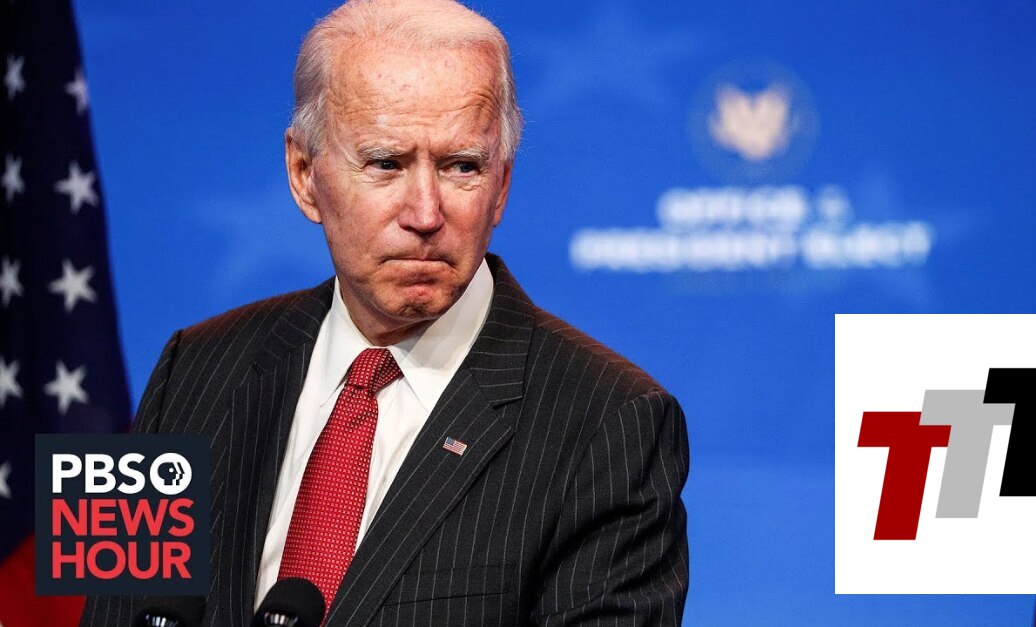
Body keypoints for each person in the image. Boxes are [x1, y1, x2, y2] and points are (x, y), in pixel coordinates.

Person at [81, 0, 688, 624]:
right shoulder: (189, 368)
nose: (425, 213)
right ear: (303, 174)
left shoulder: (616, 420)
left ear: (502, 186)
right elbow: (110, 613)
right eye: (386, 163)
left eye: (461, 167)